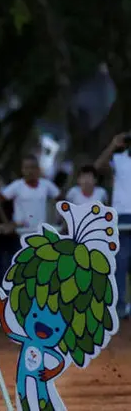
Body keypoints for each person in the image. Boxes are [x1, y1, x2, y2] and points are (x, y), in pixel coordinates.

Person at [95, 133, 131, 319]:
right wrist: (113, 144)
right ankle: (119, 308)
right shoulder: (118, 159)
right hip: (123, 215)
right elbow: (98, 168)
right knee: (121, 262)